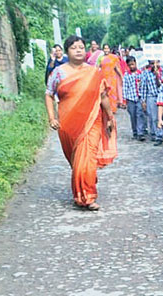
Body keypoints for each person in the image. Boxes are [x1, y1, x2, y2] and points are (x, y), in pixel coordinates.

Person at [45, 35, 117, 211]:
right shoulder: (58, 72)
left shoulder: (93, 72)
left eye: (81, 47)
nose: (78, 50)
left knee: (87, 159)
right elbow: (48, 94)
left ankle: (87, 197)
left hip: (92, 120)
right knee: (77, 161)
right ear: (67, 51)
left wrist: (109, 116)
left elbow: (103, 96)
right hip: (68, 123)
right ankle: (82, 189)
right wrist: (51, 117)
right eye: (74, 47)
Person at [121, 56, 147, 141]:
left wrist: (143, 99)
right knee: (133, 116)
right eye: (130, 65)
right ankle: (135, 131)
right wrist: (124, 100)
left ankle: (140, 133)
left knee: (140, 114)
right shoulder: (126, 75)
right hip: (131, 98)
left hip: (139, 97)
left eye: (133, 64)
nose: (132, 66)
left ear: (136, 63)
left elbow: (143, 86)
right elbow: (125, 87)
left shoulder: (141, 73)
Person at [141, 59, 163, 144]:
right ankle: (157, 135)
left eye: (157, 62)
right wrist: (143, 100)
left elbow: (161, 85)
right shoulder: (146, 73)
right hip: (151, 96)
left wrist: (157, 76)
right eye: (152, 63)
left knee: (162, 116)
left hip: (161, 96)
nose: (155, 65)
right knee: (153, 117)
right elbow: (143, 87)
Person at [99, 44, 123, 111]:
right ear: (103, 49)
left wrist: (121, 77)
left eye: (107, 48)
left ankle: (113, 109)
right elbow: (98, 68)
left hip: (112, 78)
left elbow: (117, 68)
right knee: (105, 93)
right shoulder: (100, 58)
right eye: (105, 48)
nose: (106, 50)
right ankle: (107, 109)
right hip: (103, 78)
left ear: (109, 49)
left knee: (112, 93)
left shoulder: (114, 57)